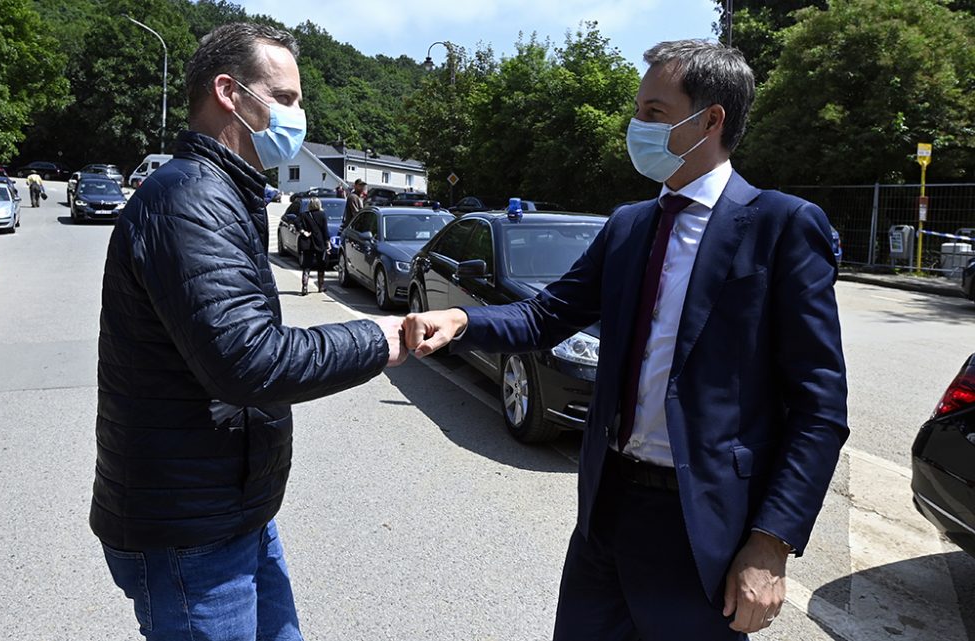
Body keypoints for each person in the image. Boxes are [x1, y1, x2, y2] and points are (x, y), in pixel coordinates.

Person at [403, 39, 848, 641]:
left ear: (711, 119)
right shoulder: (629, 224)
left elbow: (819, 407)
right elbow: (546, 316)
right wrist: (461, 323)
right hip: (606, 515)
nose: (634, 126)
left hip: (703, 532)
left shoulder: (782, 226)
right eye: (637, 109)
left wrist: (772, 543)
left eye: (653, 113)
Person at [91, 23, 407, 641]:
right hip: (190, 534)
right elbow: (248, 361)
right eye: (285, 98)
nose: (299, 115)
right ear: (230, 92)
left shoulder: (225, 194)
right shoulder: (188, 197)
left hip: (231, 511)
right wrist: (380, 339)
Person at [296, 196, 330, 295]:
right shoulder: (322, 215)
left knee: (306, 265)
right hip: (319, 243)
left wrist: (303, 231)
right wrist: (328, 242)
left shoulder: (304, 215)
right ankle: (321, 286)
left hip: (308, 243)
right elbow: (325, 231)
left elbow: (295, 222)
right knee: (321, 265)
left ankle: (304, 287)